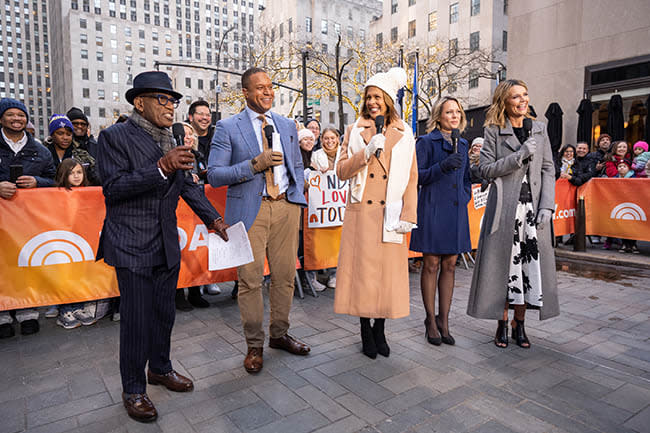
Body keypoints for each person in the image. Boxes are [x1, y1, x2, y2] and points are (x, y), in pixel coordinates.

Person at [95, 71, 229, 422]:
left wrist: (212, 218)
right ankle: (134, 389)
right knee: (137, 321)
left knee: (165, 314)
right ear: (139, 102)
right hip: (132, 243)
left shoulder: (171, 138)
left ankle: (161, 368)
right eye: (162, 100)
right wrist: (159, 168)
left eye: (173, 101)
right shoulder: (114, 137)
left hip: (166, 242)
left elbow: (187, 185)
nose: (170, 107)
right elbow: (113, 187)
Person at [208, 67, 310, 374]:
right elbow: (214, 174)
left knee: (285, 277)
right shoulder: (227, 127)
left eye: (270, 87)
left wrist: (297, 195)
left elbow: (296, 164)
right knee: (250, 281)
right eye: (259, 88)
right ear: (245, 92)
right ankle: (254, 345)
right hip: (250, 212)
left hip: (285, 207)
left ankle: (279, 335)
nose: (267, 92)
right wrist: (254, 165)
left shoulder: (285, 124)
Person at [467, 79, 559, 349]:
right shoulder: (494, 131)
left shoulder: (539, 129)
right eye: (516, 96)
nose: (523, 100)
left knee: (529, 270)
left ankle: (521, 324)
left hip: (532, 212)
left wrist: (546, 206)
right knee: (505, 270)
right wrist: (518, 155)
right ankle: (502, 323)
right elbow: (484, 170)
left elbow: (548, 170)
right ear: (504, 101)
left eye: (525, 95)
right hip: (504, 211)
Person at [334, 67, 418, 359]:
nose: (372, 102)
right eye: (368, 96)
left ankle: (380, 328)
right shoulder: (354, 129)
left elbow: (411, 177)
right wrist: (366, 152)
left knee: (385, 276)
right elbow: (341, 171)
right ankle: (365, 330)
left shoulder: (405, 133)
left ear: (387, 100)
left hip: (390, 214)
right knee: (363, 276)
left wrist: (409, 213)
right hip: (362, 215)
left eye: (377, 97)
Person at [410, 96, 472, 347]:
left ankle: (444, 320)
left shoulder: (464, 143)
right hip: (433, 209)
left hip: (456, 211)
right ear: (439, 116)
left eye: (457, 112)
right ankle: (430, 321)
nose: (454, 116)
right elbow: (416, 177)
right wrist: (443, 167)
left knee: (450, 265)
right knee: (431, 265)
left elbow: (467, 177)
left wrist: (464, 195)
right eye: (449, 112)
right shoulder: (425, 142)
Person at [0, 98, 55, 338]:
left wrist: (37, 182)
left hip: (26, 220)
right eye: (11, 115)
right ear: (1, 118)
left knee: (25, 261)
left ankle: (27, 312)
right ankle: (3, 313)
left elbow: (55, 179)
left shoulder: (40, 150)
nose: (16, 119)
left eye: (21, 115)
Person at [52, 159, 101, 328]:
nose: (76, 176)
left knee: (81, 275)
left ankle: (79, 307)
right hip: (64, 242)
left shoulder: (89, 192)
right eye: (71, 173)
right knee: (66, 276)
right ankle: (65, 310)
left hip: (83, 242)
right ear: (63, 174)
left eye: (79, 172)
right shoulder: (55, 194)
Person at [310, 127, 341, 289]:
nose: (329, 141)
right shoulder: (316, 156)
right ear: (321, 140)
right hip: (324, 205)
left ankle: (336, 273)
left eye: (332, 138)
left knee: (339, 239)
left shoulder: (345, 153)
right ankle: (326, 271)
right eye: (326, 138)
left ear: (338, 138)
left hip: (340, 205)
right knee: (326, 239)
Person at [45, 114, 100, 185]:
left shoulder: (82, 154)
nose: (65, 137)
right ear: (52, 134)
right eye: (60, 133)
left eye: (68, 134)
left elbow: (96, 176)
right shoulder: (43, 154)